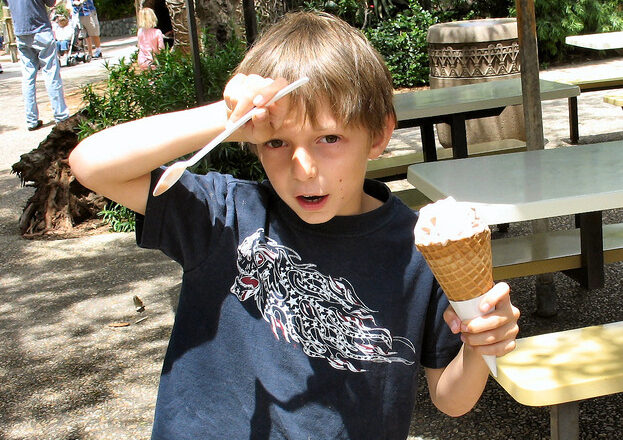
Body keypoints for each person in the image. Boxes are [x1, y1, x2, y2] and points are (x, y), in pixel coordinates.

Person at [69, 12, 520, 439]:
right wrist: (225, 118)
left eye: (329, 138)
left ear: (379, 135)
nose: (302, 168)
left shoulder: (419, 248)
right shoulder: (225, 215)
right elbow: (92, 165)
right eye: (277, 142)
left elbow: (450, 399)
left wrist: (478, 348)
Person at [5, 0, 69, 130]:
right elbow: (51, 3)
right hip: (40, 29)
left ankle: (31, 120)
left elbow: (7, 4)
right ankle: (61, 116)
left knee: (27, 76)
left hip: (21, 32)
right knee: (51, 73)